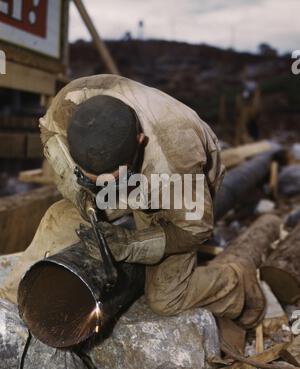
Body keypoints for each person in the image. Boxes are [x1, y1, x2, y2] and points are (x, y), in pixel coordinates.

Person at [0, 75, 264, 327]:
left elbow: (194, 230)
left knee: (166, 298)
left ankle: (237, 282)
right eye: (94, 178)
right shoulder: (71, 101)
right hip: (133, 170)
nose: (104, 189)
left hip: (173, 187)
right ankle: (11, 302)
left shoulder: (177, 156)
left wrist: (130, 244)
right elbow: (50, 135)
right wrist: (76, 186)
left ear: (140, 140)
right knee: (60, 217)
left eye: (111, 178)